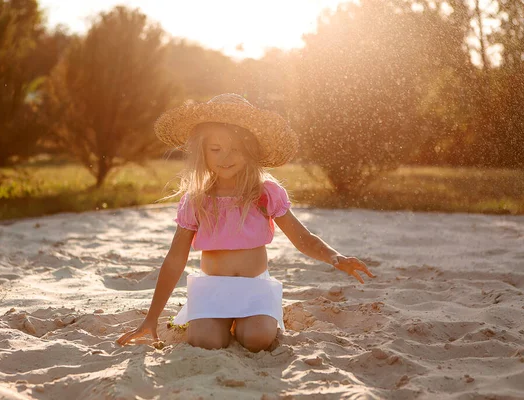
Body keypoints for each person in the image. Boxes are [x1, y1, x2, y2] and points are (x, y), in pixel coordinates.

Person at [116, 93, 375, 352]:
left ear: (251, 151)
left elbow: (302, 238)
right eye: (215, 149)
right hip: (212, 288)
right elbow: (175, 259)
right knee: (206, 341)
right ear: (203, 153)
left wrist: (335, 257)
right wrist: (150, 319)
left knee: (257, 339)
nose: (225, 157)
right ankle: (218, 321)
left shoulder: (266, 193)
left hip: (254, 287)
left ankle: (250, 319)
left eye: (236, 149)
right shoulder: (196, 200)